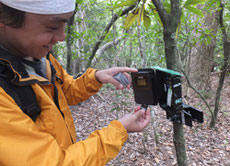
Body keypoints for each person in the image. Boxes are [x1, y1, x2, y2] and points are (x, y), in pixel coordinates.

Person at [0, 0, 151, 165]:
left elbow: (65, 92)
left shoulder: (41, 58)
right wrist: (118, 131)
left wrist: (96, 77)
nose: (62, 37)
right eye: (52, 27)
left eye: (65, 24)